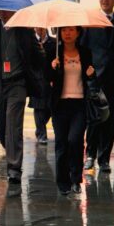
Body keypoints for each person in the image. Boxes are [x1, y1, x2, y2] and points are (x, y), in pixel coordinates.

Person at [0, 10, 42, 184]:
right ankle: (12, 149)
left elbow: (38, 57)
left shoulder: (25, 30)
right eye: (1, 9)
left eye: (7, 10)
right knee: (0, 122)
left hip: (17, 83)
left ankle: (14, 168)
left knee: (13, 123)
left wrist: (43, 51)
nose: (4, 12)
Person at [83, 0, 114, 173]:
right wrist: (87, 73)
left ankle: (104, 159)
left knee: (110, 120)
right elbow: (84, 48)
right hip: (94, 79)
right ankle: (90, 155)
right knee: (94, 119)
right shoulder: (90, 21)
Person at [49, 26, 97, 195]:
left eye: (71, 30)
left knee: (75, 140)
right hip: (60, 104)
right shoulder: (54, 52)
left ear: (77, 33)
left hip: (79, 104)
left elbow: (91, 77)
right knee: (61, 143)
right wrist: (52, 68)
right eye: (64, 30)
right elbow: (46, 77)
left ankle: (76, 179)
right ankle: (63, 182)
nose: (67, 34)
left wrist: (92, 74)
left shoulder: (85, 52)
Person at [28, 27, 54, 145]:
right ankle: (41, 134)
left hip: (50, 79)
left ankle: (40, 128)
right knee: (38, 108)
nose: (40, 28)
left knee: (49, 107)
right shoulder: (30, 41)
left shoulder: (53, 42)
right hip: (36, 79)